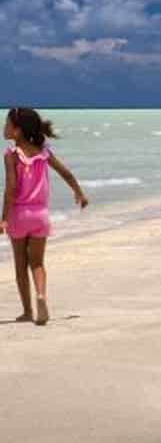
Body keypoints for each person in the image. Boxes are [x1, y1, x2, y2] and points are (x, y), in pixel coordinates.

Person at [3, 108, 89, 326]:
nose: (4, 127)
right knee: (38, 263)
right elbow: (66, 173)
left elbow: (11, 188)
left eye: (7, 124)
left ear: (17, 131)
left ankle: (27, 311)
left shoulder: (11, 155)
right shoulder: (44, 152)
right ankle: (41, 296)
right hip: (40, 216)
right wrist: (79, 193)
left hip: (19, 215)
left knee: (21, 265)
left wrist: (3, 217)